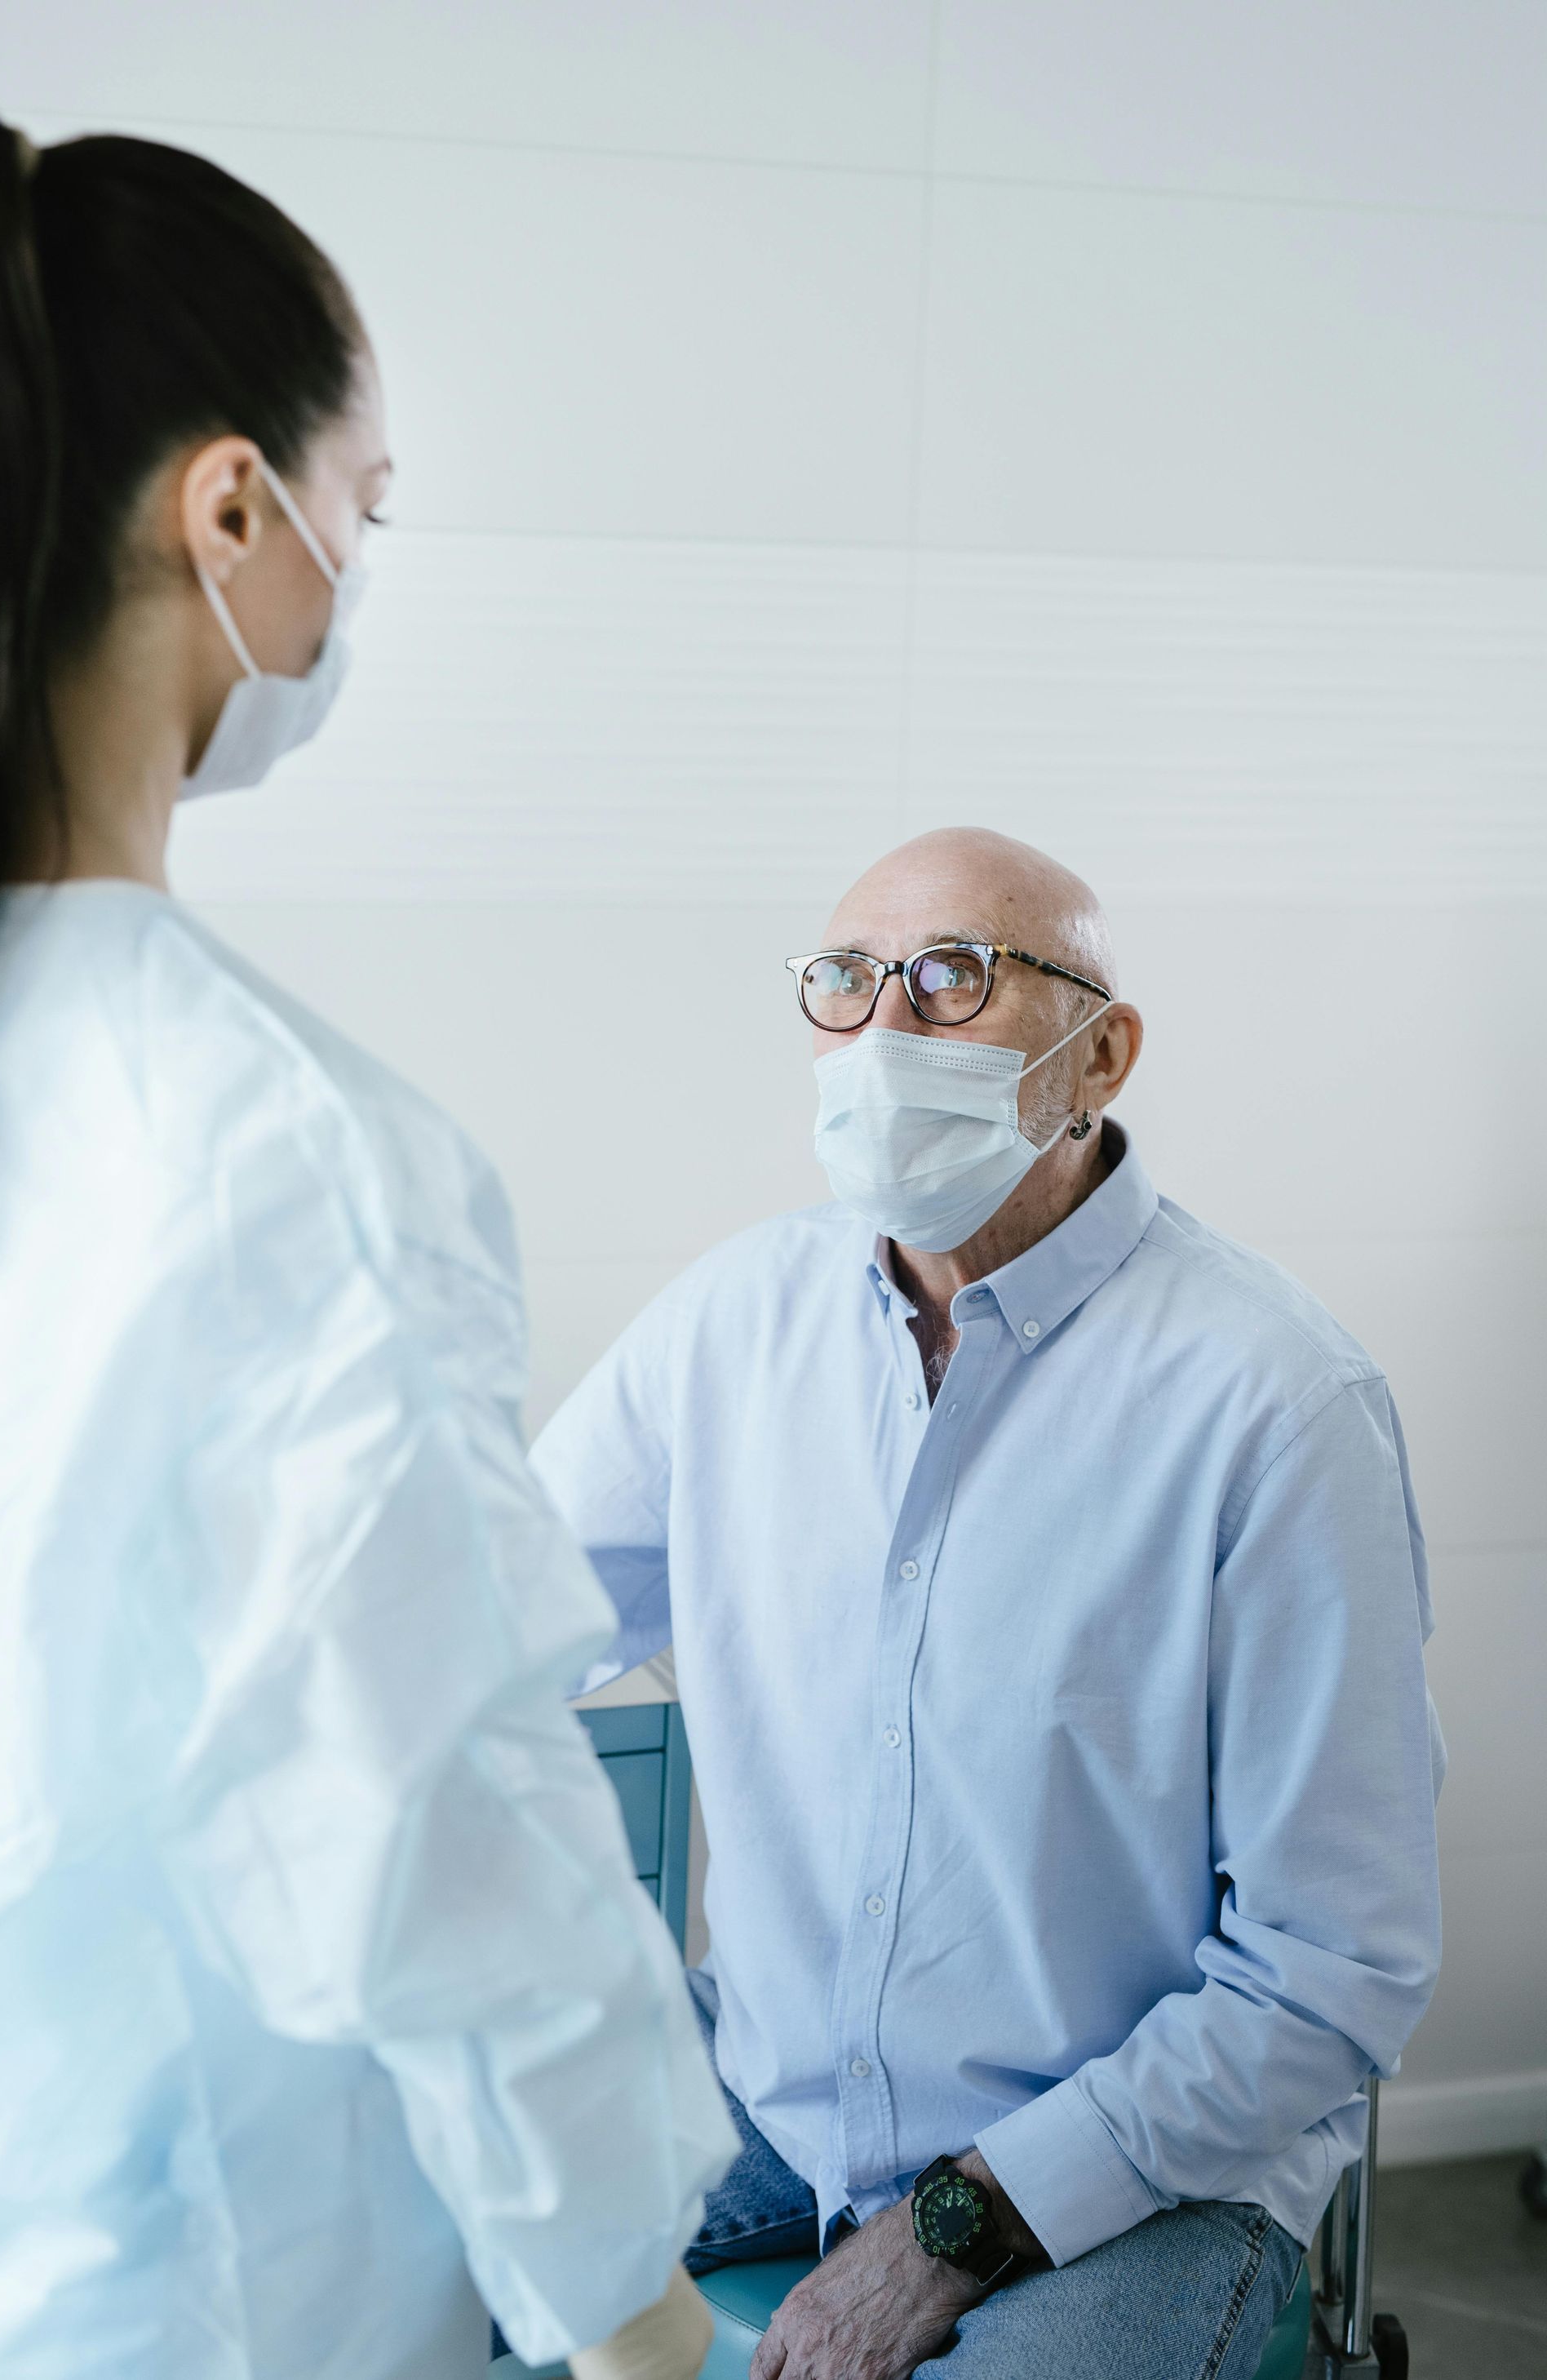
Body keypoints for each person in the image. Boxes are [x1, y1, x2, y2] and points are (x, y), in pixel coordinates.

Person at [0, 109, 736, 2380]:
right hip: (205, 2286)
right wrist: (643, 2328)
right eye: (363, 511)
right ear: (232, 511)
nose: (350, 574)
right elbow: (448, 1846)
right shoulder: (271, 1142)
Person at [532, 826, 1445, 2380]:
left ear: (1102, 1056)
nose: (884, 1032)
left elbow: (1334, 1969)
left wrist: (961, 2224)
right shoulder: (733, 1329)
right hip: (772, 2093)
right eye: (844, 983)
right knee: (352, 2236)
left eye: (950, 979)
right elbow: (491, 1622)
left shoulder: (1276, 1407)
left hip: (1142, 2179)